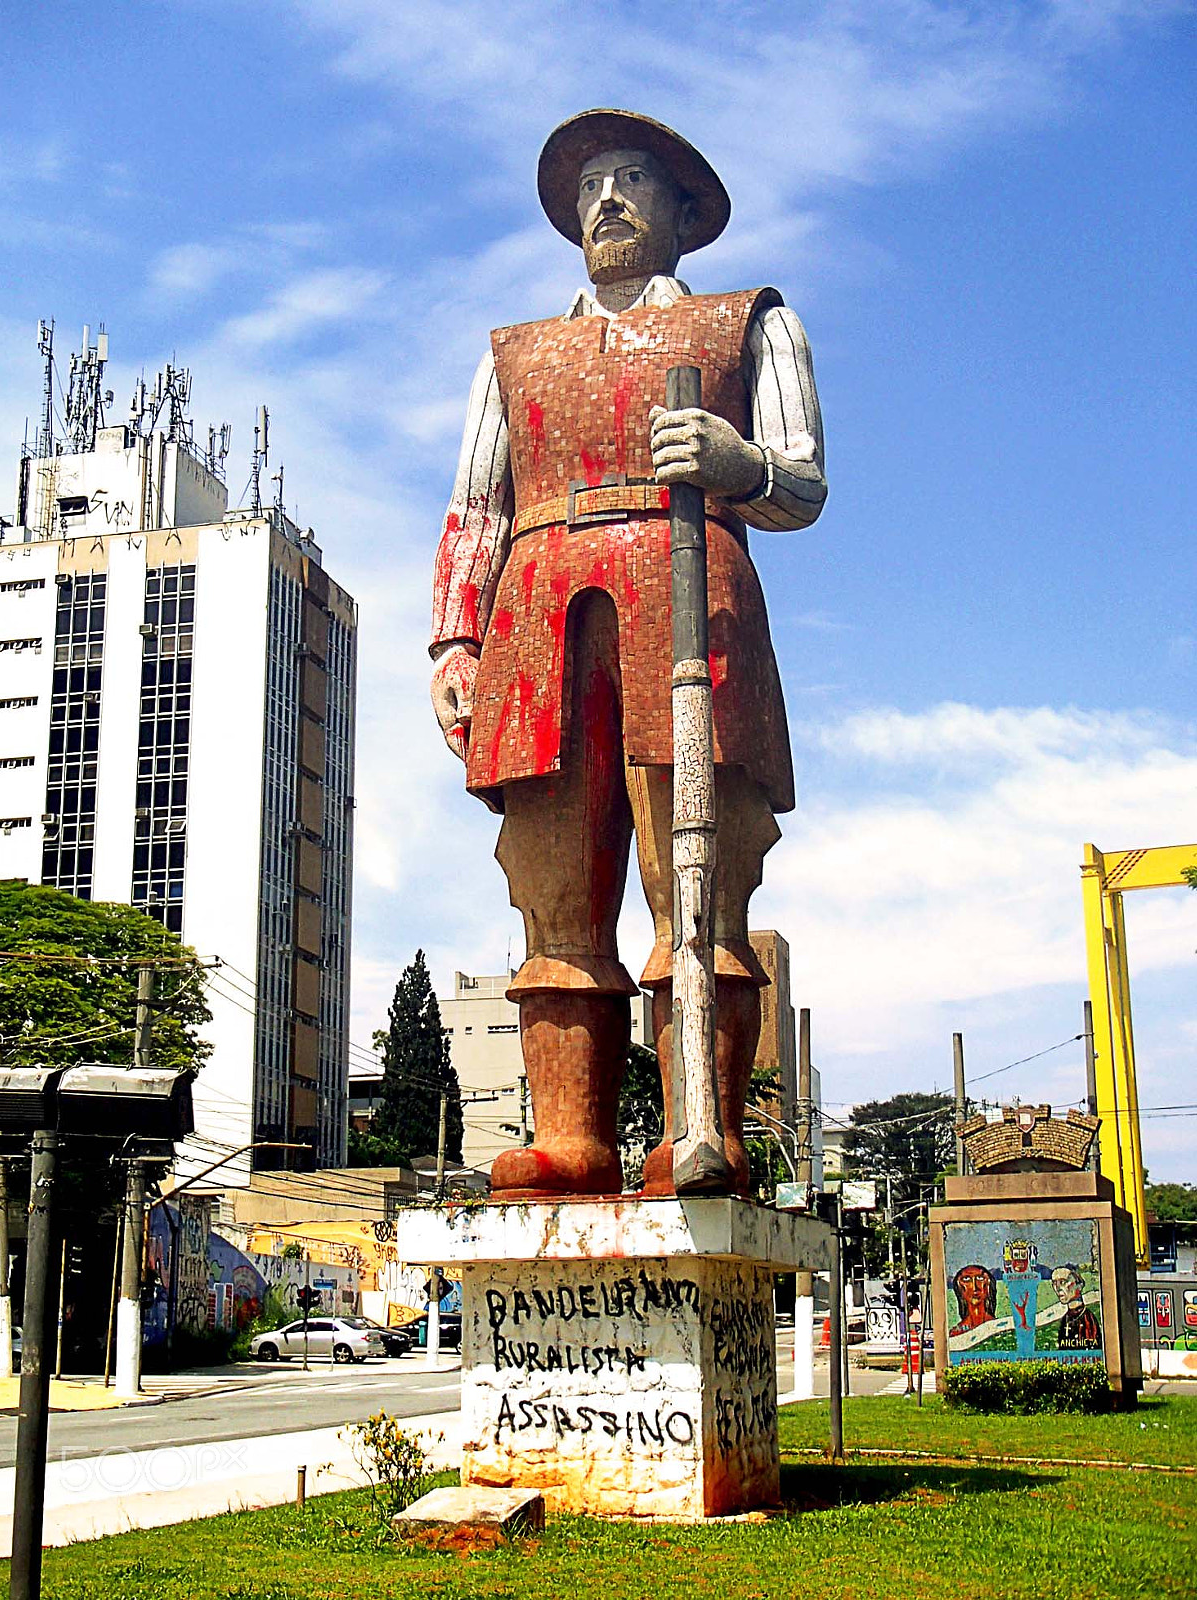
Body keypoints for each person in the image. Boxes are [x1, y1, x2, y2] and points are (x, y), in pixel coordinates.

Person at [430, 109, 827, 1198]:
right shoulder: (514, 355)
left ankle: (705, 1127)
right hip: (539, 610)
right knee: (553, 884)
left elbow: (803, 483)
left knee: (694, 875)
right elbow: (474, 506)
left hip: (690, 599)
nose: (604, 199)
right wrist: (455, 635)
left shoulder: (743, 323)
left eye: (631, 180)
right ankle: (569, 1134)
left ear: (681, 213)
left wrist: (737, 461)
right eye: (589, 184)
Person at [1051, 1265, 1101, 1350]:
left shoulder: (1088, 1320)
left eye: (1063, 1282)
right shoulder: (1065, 1319)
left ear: (1079, 1285)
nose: (1058, 1288)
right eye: (1054, 1283)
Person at [949, 1263, 997, 1338]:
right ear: (959, 1288)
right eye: (966, 1279)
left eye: (980, 1278)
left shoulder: (998, 1328)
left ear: (988, 1285)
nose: (974, 1287)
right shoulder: (956, 1333)